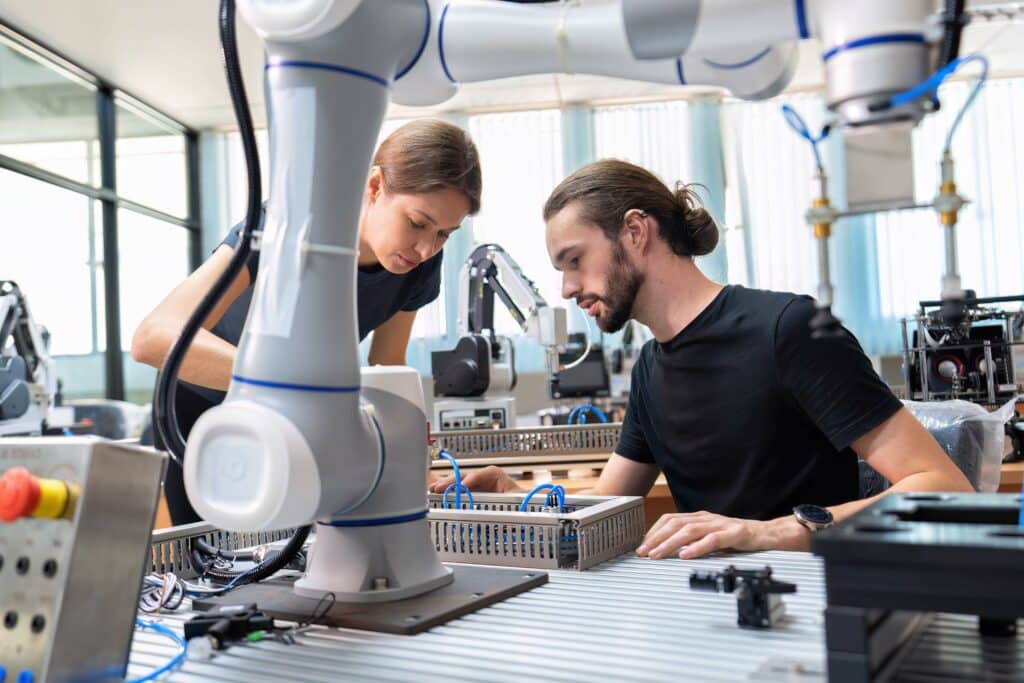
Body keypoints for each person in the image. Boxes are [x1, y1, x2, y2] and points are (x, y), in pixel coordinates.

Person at [430, 158, 972, 559]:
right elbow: (602, 507)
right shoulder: (650, 367)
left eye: (575, 261)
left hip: (812, 601)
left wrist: (769, 531)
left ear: (636, 232)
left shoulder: (790, 329)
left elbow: (943, 486)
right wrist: (513, 494)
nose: (568, 289)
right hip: (708, 609)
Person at [133, 119, 481, 524]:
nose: (425, 248)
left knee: (292, 556)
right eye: (417, 223)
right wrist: (294, 380)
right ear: (374, 186)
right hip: (201, 412)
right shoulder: (286, 226)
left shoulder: (420, 264)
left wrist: (409, 459)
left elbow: (388, 368)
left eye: (444, 235)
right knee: (214, 563)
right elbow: (153, 339)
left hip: (292, 416)